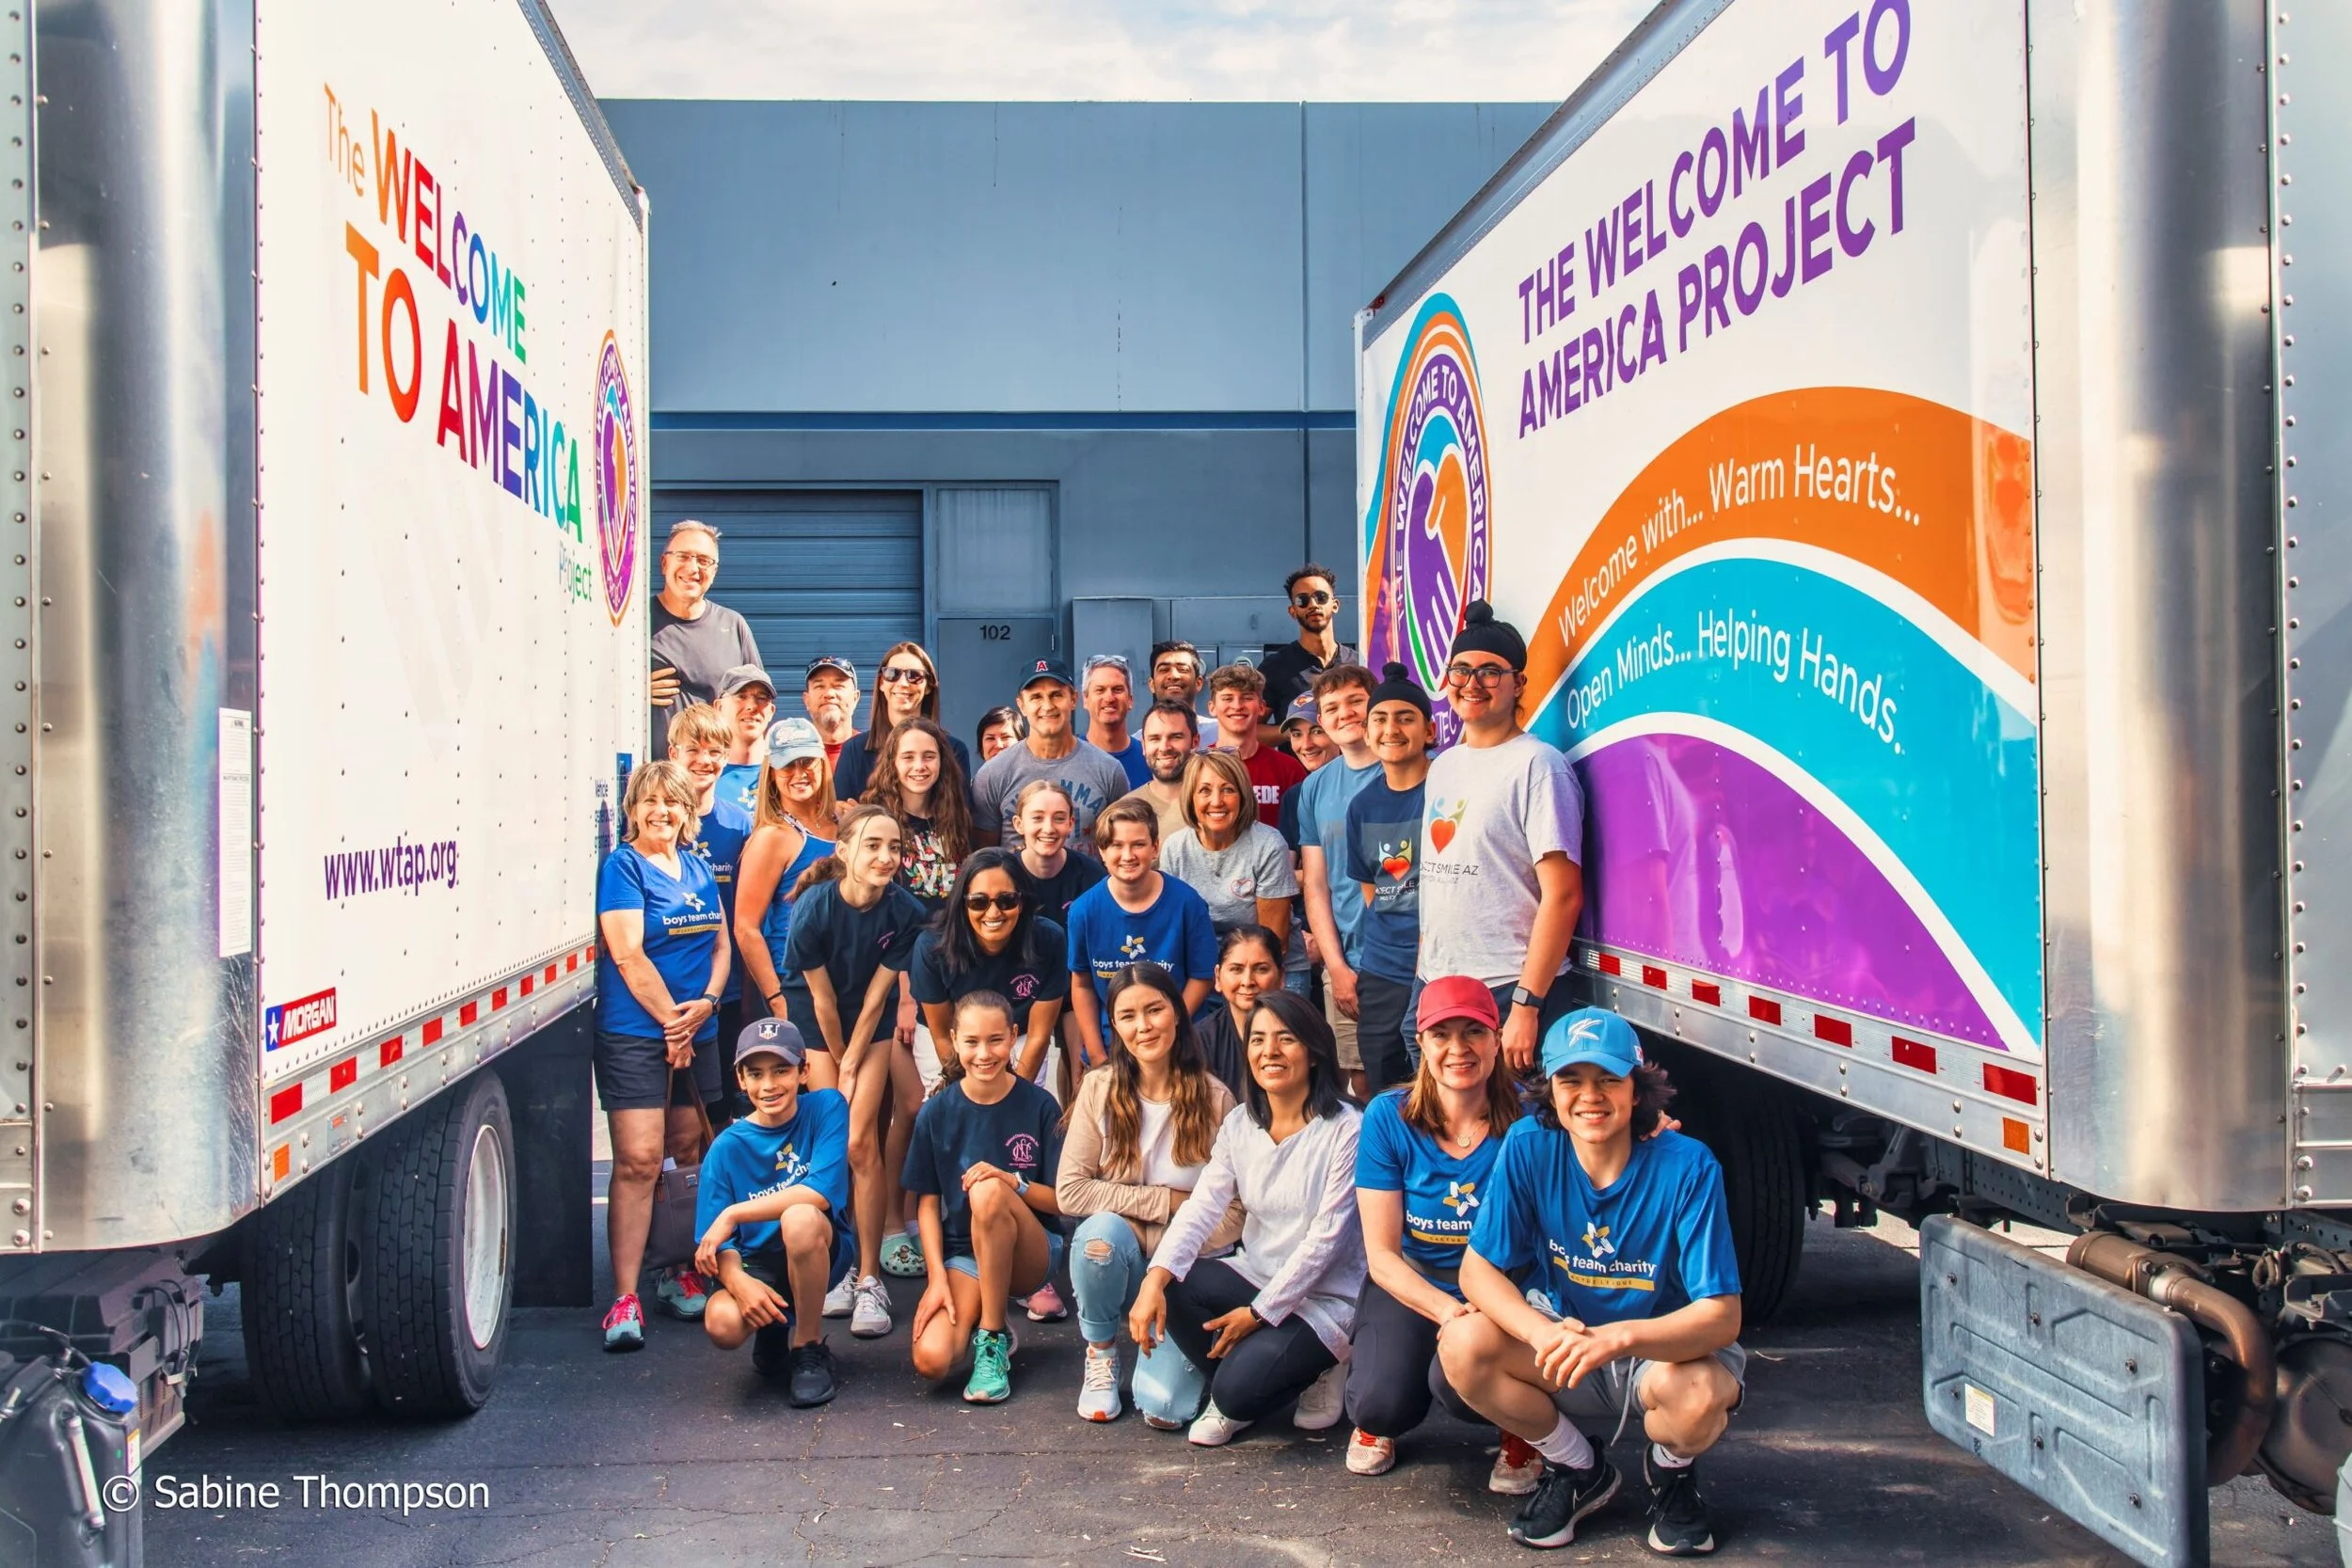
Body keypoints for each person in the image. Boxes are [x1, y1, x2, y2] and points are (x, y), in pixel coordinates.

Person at [1438, 1009, 1741, 1555]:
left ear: (1636, 1087)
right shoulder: (1529, 1146)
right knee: (1461, 1346)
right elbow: (1477, 1271)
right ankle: (1578, 1468)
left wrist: (1619, 1337)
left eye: (1608, 1079)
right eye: (1570, 1080)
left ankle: (1671, 1472)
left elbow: (1721, 1314)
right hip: (1568, 1340)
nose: (1590, 1096)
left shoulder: (1689, 1165)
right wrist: (1539, 1332)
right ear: (1549, 1089)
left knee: (1700, 1397)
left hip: (1658, 1352)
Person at [1129, 989, 1363, 1446]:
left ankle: (1321, 1364)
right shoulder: (1241, 1123)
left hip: (1326, 1298)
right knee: (1175, 1284)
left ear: (1314, 1052)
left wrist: (1258, 1315)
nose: (1269, 1052)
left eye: (1285, 1039)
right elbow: (1200, 1208)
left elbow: (1326, 1241)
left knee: (1234, 1395)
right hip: (1257, 1274)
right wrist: (1152, 1281)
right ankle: (1257, 1373)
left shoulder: (1347, 1129)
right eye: (1257, 1040)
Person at [1343, 978, 1531, 1486]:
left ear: (1496, 1038)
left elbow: (1607, 1126)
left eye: (1474, 1031)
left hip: (1501, 1285)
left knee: (1458, 1388)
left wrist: (1650, 1125)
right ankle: (1381, 1398)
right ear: (1420, 1042)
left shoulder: (1533, 1117)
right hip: (1413, 1278)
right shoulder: (1389, 1115)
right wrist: (1449, 1313)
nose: (1458, 1048)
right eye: (1441, 1033)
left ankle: (1523, 1429)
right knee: (1379, 1404)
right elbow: (1381, 1256)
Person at [1057, 962, 1241, 1425]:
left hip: (1185, 1272)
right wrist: (1166, 1203)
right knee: (1099, 1235)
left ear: (1176, 1014)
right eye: (1128, 1016)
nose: (1144, 1026)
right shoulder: (1098, 1088)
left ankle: (1161, 1354)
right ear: (1115, 1026)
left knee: (1165, 1409)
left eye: (1155, 1010)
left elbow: (1236, 1212)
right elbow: (1071, 1192)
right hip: (1121, 1257)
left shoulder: (1216, 1099)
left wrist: (1165, 1260)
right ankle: (1100, 1352)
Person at [594, 761, 729, 1352]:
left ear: (685, 811)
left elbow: (722, 945)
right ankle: (624, 1297)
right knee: (640, 1160)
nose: (661, 812)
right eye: (649, 802)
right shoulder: (623, 867)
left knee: (688, 1149)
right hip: (636, 1033)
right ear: (633, 810)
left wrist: (705, 1004)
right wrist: (673, 1021)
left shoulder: (698, 867)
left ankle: (678, 1268)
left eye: (671, 803)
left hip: (697, 1028)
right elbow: (627, 954)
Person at [783, 805, 930, 1340]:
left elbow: (875, 998)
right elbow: (822, 999)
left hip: (869, 1020)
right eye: (872, 845)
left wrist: (854, 1060)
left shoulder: (906, 911)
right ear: (842, 851)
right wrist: (839, 1060)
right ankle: (839, 1268)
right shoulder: (814, 908)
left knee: (861, 1143)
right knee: (835, 1141)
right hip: (819, 1019)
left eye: (894, 847)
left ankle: (869, 1278)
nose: (886, 856)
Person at [1422, 601, 1584, 1072]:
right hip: (1438, 985)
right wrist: (1423, 964)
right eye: (1461, 670)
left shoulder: (1538, 766)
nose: (1472, 684)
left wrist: (1527, 1005)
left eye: (1490, 672)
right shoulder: (1445, 765)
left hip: (1505, 987)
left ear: (1518, 684)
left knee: (1508, 1135)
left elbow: (1564, 895)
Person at [904, 990, 1066, 1404]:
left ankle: (991, 1338)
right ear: (954, 1040)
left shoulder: (1041, 1105)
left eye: (995, 1040)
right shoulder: (936, 1111)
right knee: (932, 1360)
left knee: (989, 1190)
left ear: (1014, 1037)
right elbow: (926, 1202)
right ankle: (983, 1320)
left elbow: (1064, 1202)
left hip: (1030, 1253)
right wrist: (936, 1277)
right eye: (972, 1042)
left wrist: (1015, 1183)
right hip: (966, 1255)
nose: (984, 1054)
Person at [692, 1019, 850, 1406]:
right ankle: (772, 1329)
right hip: (756, 1260)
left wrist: (734, 1213)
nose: (769, 1085)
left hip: (818, 1245)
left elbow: (821, 1191)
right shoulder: (726, 1148)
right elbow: (713, 1243)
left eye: (781, 1070)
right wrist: (737, 1281)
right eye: (756, 1074)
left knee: (798, 1216)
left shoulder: (827, 1106)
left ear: (804, 1071)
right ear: (741, 1081)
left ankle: (808, 1347)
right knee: (723, 1324)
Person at [1065, 798, 1218, 1069]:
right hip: (1115, 1049)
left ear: (1155, 847)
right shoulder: (1083, 911)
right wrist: (1098, 1054)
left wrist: (1169, 1028)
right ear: (1101, 850)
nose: (1128, 856)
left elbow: (1202, 977)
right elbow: (1082, 984)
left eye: (1138, 844)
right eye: (1116, 845)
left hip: (1180, 1046)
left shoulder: (1187, 904)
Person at [1290, 665, 1382, 1098]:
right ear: (1322, 722)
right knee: (1361, 1082)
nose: (1344, 714)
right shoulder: (1315, 787)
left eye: (1355, 702)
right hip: (1349, 960)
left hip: (1414, 960)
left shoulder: (1415, 769)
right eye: (1332, 708)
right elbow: (1316, 886)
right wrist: (1337, 968)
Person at [733, 718, 837, 1084]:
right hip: (801, 988)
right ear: (771, 773)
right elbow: (746, 927)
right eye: (787, 765)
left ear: (822, 763)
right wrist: (778, 999)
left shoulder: (847, 823)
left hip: (852, 985)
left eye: (807, 761)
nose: (799, 773)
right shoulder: (773, 836)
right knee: (829, 1106)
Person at [912, 847, 1070, 1087]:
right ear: (962, 904)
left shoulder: (1049, 940)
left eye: (1007, 900)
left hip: (1019, 1036)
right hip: (954, 1039)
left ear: (1022, 901)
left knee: (1018, 1114)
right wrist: (968, 1093)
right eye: (979, 902)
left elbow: (1039, 1035)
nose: (993, 912)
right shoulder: (933, 946)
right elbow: (943, 1035)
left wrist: (1014, 1096)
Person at [1346, 664, 1435, 1091]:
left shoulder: (1447, 790)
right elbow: (1371, 890)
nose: (1391, 729)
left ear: (1429, 731)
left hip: (1440, 967)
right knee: (1384, 1089)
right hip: (1382, 970)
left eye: (1405, 718)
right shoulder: (1362, 806)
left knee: (1438, 1088)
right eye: (1379, 719)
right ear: (1366, 733)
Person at [671, 704, 755, 1132]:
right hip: (670, 991)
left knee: (718, 1113)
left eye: (716, 751)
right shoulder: (659, 824)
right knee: (673, 1123)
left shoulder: (741, 826)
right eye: (694, 750)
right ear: (673, 753)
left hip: (727, 988)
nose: (705, 760)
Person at [970, 659, 1133, 857]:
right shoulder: (993, 774)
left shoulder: (1108, 770)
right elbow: (985, 856)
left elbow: (1121, 848)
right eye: (1036, 697)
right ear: (1021, 705)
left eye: (1056, 695)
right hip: (1018, 886)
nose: (1047, 706)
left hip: (1086, 886)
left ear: (1073, 699)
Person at [1158, 750, 1296, 949]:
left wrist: (1226, 977)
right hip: (1202, 962)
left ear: (1242, 795)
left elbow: (1273, 943)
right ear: (1190, 798)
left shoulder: (1269, 845)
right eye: (1204, 790)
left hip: (1266, 963)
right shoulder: (1175, 848)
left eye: (1228, 790)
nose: (1216, 801)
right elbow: (1174, 930)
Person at [649, 520, 761, 760]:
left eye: (703, 560)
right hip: (655, 781)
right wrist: (632, 690)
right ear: (664, 563)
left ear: (714, 572)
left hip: (715, 776)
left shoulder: (733, 625)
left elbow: (758, 705)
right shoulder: (637, 621)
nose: (693, 568)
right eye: (683, 556)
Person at [859, 716, 974, 915]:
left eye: (929, 756)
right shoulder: (874, 821)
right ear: (893, 762)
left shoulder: (956, 816)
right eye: (908, 757)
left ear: (942, 761)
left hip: (951, 938)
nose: (919, 766)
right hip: (901, 940)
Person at [834, 641, 971, 802]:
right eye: (892, 674)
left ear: (928, 686)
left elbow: (960, 818)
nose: (903, 683)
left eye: (914, 675)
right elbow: (842, 816)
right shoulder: (855, 751)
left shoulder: (954, 751)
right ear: (881, 683)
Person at [1255, 563, 1359, 750]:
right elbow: (1252, 729)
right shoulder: (1275, 667)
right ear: (1292, 611)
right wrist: (1292, 731)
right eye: (1302, 600)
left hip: (1350, 773)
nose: (1313, 605)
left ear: (1335, 605)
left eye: (1321, 597)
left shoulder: (1359, 664)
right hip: (1298, 775)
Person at [1206, 662, 1306, 821]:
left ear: (1261, 707)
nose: (1237, 706)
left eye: (1246, 698)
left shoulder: (1289, 770)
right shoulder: (1198, 766)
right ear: (1212, 708)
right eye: (1227, 698)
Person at [1196, 924, 1282, 1100]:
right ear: (1218, 977)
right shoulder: (1200, 1039)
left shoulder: (1304, 1033)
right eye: (1236, 969)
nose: (1247, 981)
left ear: (1281, 977)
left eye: (1261, 969)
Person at [1010, 780, 1106, 927]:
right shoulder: (1003, 875)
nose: (1048, 828)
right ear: (1019, 824)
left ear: (1071, 823)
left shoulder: (1093, 878)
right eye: (1037, 818)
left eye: (1059, 818)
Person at [1128, 699, 1199, 843]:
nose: (1164, 747)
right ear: (1143, 746)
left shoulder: (1214, 805)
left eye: (1176, 737)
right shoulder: (1127, 810)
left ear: (1195, 742)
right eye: (1155, 738)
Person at [711, 666, 777, 816]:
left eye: (762, 698)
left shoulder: (786, 774)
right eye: (741, 696)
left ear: (771, 711)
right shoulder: (704, 775)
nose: (752, 706)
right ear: (719, 707)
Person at [1082, 654, 1151, 788]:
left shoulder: (1149, 758)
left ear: (1130, 700)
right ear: (1085, 699)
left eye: (1117, 690)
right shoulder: (1070, 757)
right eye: (1100, 690)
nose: (1109, 698)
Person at [1148, 639, 1220, 746]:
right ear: (1152, 685)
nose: (1174, 676)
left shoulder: (1219, 733)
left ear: (1198, 683)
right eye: (1164, 670)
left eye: (1183, 669)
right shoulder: (1140, 742)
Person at [802, 656, 861, 776]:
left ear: (855, 698)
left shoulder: (873, 753)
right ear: (806, 700)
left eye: (838, 686)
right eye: (819, 686)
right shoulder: (793, 756)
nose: (829, 694)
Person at [1280, 693, 1333, 772]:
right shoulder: (1302, 784)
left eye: (1317, 732)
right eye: (1297, 734)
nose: (1306, 746)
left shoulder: (1357, 783)